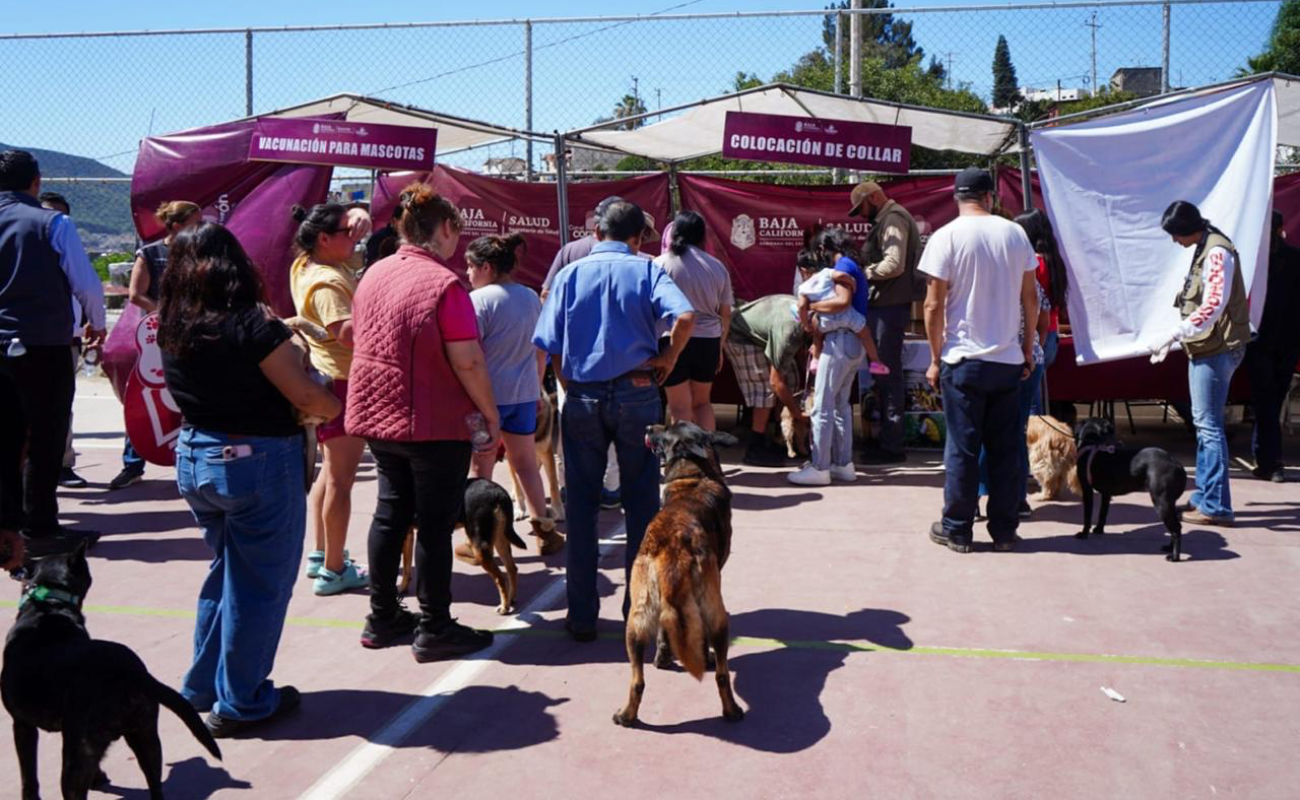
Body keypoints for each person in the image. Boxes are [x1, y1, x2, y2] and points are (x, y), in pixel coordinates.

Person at [157, 222, 341, 737]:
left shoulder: (173, 323)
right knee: (259, 585)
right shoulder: (249, 325)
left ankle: (201, 684)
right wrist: (330, 403)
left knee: (227, 574)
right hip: (255, 459)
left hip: (197, 456)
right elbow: (305, 395)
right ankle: (241, 701)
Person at [347, 183, 499, 661]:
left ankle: (383, 614)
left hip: (377, 414)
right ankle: (434, 625)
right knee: (434, 525)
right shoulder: (445, 284)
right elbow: (468, 361)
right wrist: (491, 415)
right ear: (447, 228)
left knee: (390, 513)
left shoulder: (373, 273)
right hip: (431, 420)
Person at [533, 200, 694, 642]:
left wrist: (570, 383)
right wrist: (668, 357)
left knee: (581, 507)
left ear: (598, 232)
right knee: (642, 505)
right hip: (638, 393)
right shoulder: (646, 271)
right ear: (638, 236)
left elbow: (547, 345)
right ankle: (638, 616)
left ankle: (582, 616)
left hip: (583, 396)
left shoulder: (569, 274)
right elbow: (685, 316)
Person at [920, 168, 1039, 554]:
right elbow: (1030, 300)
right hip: (1006, 360)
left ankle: (957, 528)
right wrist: (1026, 347)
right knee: (1006, 449)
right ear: (989, 196)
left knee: (963, 448)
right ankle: (1004, 530)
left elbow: (933, 304)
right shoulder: (1015, 233)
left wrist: (936, 358)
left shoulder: (945, 237)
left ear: (957, 198)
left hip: (963, 360)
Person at [1, 150, 106, 557]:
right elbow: (86, 283)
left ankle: (8, 526)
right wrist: (96, 322)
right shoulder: (52, 223)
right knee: (46, 438)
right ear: (36, 182)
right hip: (42, 344)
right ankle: (41, 527)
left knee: (5, 438)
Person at [541, 195, 651, 511]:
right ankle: (612, 489)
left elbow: (547, 298)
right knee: (618, 435)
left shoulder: (570, 254)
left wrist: (561, 372)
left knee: (572, 431)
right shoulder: (639, 259)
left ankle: (568, 487)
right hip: (623, 364)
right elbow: (680, 317)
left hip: (576, 365)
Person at [1147, 201, 1251, 525]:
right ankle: (1205, 497)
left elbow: (1213, 306)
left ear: (1186, 229)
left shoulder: (1217, 253)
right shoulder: (1207, 245)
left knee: (1209, 428)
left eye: (1174, 235)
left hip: (1216, 349)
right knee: (1205, 425)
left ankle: (1217, 506)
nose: (1174, 241)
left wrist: (1176, 333)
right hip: (1208, 347)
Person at [288, 202, 371, 595]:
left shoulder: (305, 265)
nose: (354, 239)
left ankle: (323, 553)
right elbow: (349, 332)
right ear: (324, 239)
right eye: (346, 233)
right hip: (344, 381)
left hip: (330, 379)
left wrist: (355, 214)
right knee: (341, 479)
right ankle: (335, 570)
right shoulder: (326, 283)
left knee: (329, 473)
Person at [464, 233, 564, 554]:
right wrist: (535, 390)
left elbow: (470, 355)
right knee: (526, 465)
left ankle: (481, 541)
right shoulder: (530, 297)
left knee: (481, 469)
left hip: (484, 401)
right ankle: (544, 531)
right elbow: (540, 352)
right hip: (523, 398)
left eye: (470, 266)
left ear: (487, 267)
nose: (467, 273)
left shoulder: (478, 301)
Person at [110, 200, 201, 490]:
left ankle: (193, 466)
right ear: (176, 225)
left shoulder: (200, 252)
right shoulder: (150, 253)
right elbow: (136, 294)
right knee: (146, 399)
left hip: (194, 336)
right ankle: (133, 464)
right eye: (195, 222)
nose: (201, 227)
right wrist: (166, 314)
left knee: (193, 399)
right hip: (157, 340)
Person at [788, 228, 870, 486]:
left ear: (824, 249)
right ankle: (842, 464)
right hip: (852, 342)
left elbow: (842, 301)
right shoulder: (851, 265)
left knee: (822, 406)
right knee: (840, 407)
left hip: (839, 341)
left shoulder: (842, 265)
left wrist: (808, 307)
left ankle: (820, 466)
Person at [850, 181, 922, 465]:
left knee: (887, 374)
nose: (862, 214)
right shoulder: (889, 218)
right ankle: (888, 440)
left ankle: (892, 445)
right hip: (886, 309)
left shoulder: (892, 219)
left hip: (888, 310)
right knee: (883, 374)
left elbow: (894, 264)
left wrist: (862, 274)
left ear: (873, 198)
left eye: (862, 207)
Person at [652, 211, 734, 430]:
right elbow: (726, 314)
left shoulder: (659, 264)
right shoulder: (717, 267)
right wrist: (719, 346)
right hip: (708, 341)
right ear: (702, 236)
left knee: (678, 407)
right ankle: (707, 459)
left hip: (672, 340)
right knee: (702, 403)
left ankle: (684, 462)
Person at [38, 191, 90, 490]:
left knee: (61, 406)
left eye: (57, 216)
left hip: (65, 339)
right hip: (25, 338)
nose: (51, 221)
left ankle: (63, 464)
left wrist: (92, 325)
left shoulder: (70, 249)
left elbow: (86, 290)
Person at [725, 294, 809, 467]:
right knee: (764, 388)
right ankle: (755, 447)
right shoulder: (789, 331)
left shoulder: (806, 318)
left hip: (763, 333)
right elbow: (776, 381)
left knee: (792, 379)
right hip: (739, 334)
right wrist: (797, 413)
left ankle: (782, 440)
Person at [1246, 211, 1299, 483]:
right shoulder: (1294, 259)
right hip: (1288, 342)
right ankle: (1268, 460)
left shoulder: (1253, 260)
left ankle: (1269, 461)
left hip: (1259, 341)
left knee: (1264, 403)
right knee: (1272, 403)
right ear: (1281, 229)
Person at [1022, 208, 1068, 414]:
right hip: (1050, 335)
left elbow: (1036, 305)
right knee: (1033, 394)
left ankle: (1034, 443)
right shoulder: (1054, 260)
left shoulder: (1034, 263)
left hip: (1037, 334)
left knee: (1029, 400)